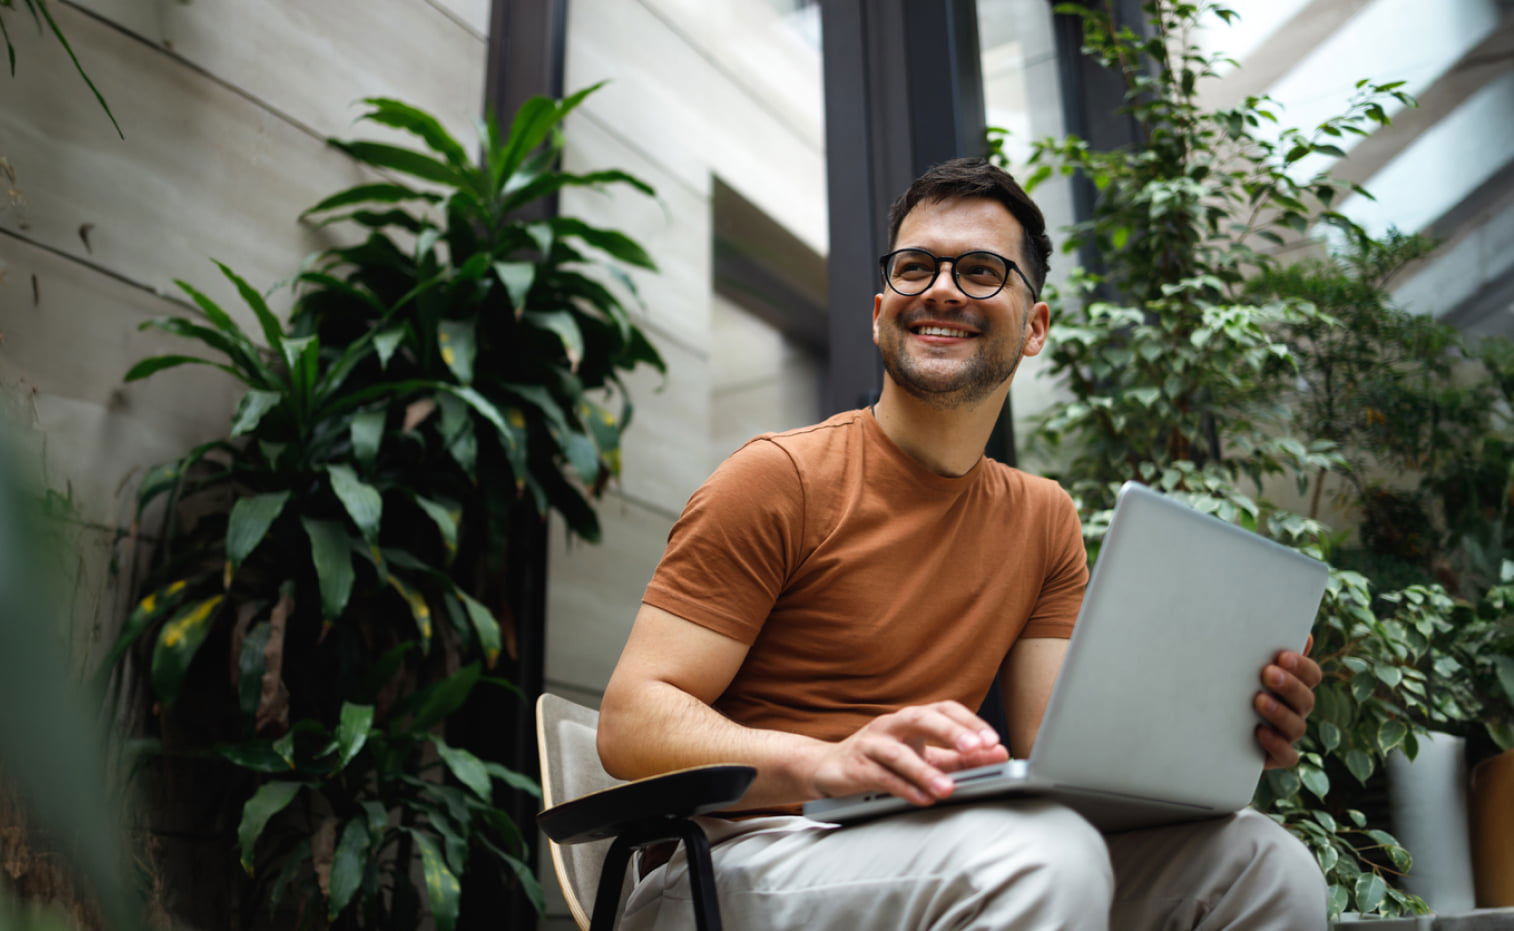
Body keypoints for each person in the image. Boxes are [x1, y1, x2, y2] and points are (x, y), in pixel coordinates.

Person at [597, 157, 1327, 930]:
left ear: (1036, 327)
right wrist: (827, 763)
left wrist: (1219, 732)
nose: (941, 289)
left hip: (931, 846)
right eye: (915, 269)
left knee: (1263, 864)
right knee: (1039, 857)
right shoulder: (780, 476)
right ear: (881, 312)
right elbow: (631, 719)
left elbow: (1063, 765)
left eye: (981, 270)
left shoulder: (1043, 519)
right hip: (735, 859)